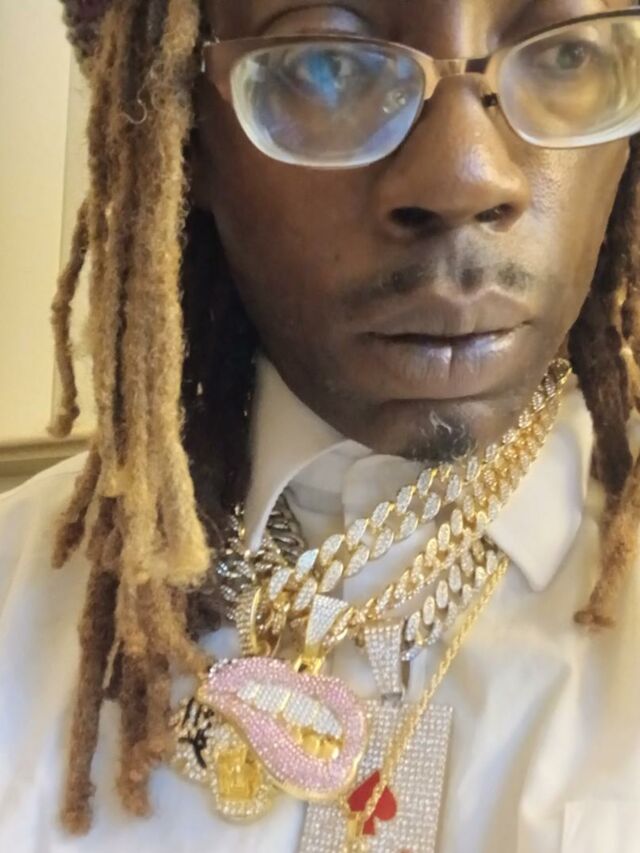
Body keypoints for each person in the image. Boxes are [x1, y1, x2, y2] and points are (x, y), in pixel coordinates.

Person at [1, 0, 640, 850]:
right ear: (189, 129)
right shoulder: (18, 604)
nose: (465, 177)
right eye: (328, 63)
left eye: (567, 55)